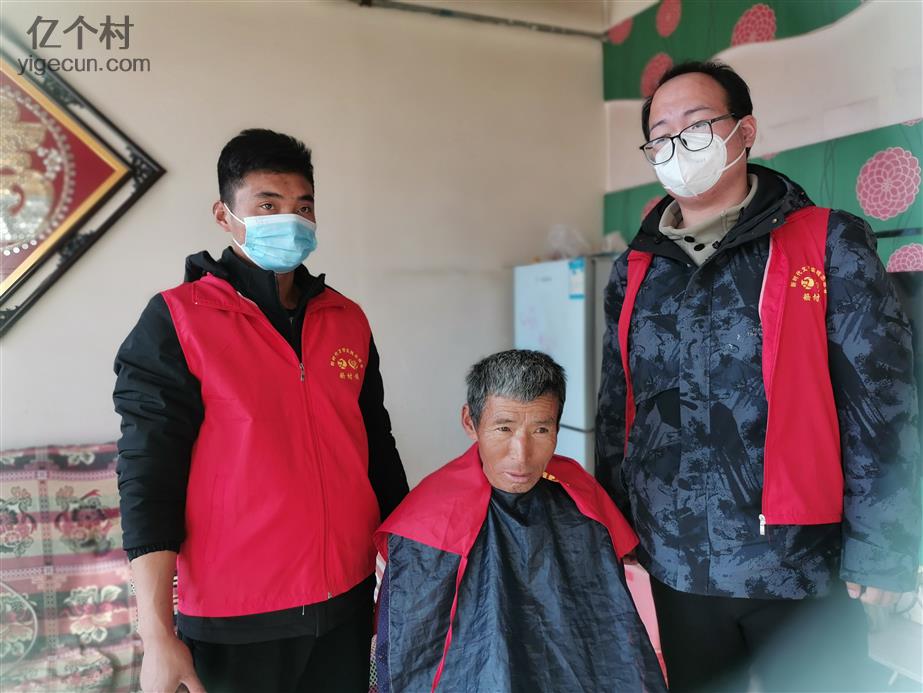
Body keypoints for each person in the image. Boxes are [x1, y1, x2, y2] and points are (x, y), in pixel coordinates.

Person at [596, 60, 921, 692]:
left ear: (744, 132)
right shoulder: (636, 269)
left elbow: (881, 402)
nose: (677, 145)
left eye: (696, 125)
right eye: (660, 135)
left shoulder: (828, 243)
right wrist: (615, 526)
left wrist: (884, 546)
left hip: (799, 563)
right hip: (675, 562)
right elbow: (618, 410)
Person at [114, 129, 408, 693]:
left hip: (347, 604)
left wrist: (411, 567)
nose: (290, 220)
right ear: (224, 215)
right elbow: (148, 475)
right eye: (268, 205)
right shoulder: (177, 321)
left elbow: (377, 448)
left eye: (303, 206)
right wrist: (156, 634)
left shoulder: (346, 319)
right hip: (235, 620)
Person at [374, 349, 666, 693]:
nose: (521, 455)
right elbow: (409, 654)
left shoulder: (581, 499)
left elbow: (611, 630)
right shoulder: (426, 519)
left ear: (557, 426)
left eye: (540, 430)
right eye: (503, 428)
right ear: (470, 422)